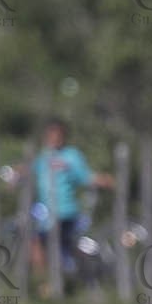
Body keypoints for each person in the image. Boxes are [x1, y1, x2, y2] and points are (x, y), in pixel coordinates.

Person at [27, 119, 114, 284]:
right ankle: (43, 284)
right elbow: (31, 170)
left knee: (55, 245)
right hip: (47, 213)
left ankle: (65, 280)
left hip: (65, 211)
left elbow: (86, 177)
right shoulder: (44, 156)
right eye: (50, 135)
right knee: (36, 242)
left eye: (57, 135)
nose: (53, 139)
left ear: (63, 136)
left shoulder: (71, 156)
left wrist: (104, 180)